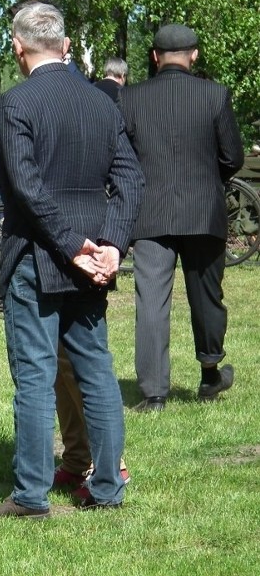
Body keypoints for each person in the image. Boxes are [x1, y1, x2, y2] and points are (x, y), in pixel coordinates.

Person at [0, 1, 143, 518]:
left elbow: (26, 188)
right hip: (89, 258)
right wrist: (110, 245)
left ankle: (31, 495)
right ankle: (107, 489)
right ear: (67, 45)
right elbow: (131, 179)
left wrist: (80, 246)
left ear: (17, 47)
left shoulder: (15, 103)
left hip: (39, 255)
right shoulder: (102, 102)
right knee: (96, 372)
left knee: (34, 376)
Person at [118, 24, 244, 412]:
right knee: (206, 294)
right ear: (194, 55)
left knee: (151, 299)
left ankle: (154, 392)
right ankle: (209, 373)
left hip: (150, 211)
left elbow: (121, 158)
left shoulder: (130, 97)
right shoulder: (214, 95)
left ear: (154, 57)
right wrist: (209, 181)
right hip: (203, 210)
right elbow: (233, 158)